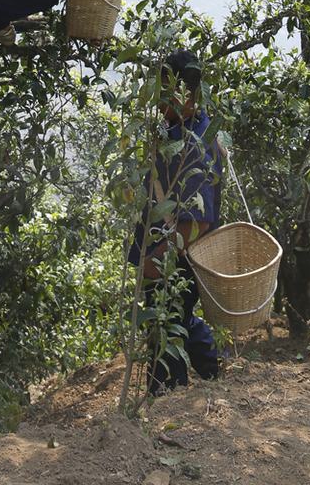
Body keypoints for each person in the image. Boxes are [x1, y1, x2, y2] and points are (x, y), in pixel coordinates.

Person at [128, 49, 225, 393]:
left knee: (165, 328)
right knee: (177, 319)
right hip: (164, 254)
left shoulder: (195, 144)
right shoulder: (179, 129)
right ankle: (212, 368)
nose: (158, 102)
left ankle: (168, 396)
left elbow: (197, 223)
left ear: (188, 95)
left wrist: (156, 262)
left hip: (174, 261)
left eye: (166, 93)